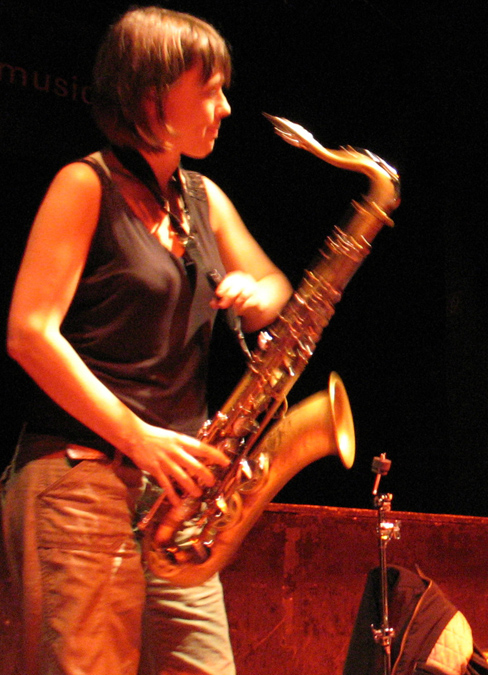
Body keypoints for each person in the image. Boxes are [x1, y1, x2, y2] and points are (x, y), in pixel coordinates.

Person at [1, 7, 293, 675]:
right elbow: (28, 332)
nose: (224, 106)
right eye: (210, 88)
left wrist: (259, 295)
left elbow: (275, 286)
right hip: (80, 477)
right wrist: (137, 436)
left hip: (174, 494)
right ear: (153, 95)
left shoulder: (202, 198)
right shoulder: (84, 186)